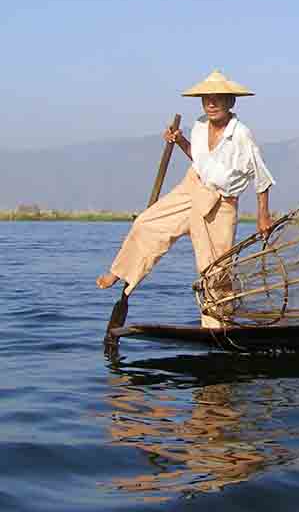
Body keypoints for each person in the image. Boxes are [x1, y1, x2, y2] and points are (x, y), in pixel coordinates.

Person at [96, 70, 275, 327]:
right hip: (192, 186)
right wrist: (180, 141)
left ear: (231, 102)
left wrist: (263, 216)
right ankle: (120, 272)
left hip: (221, 203)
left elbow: (262, 178)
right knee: (146, 224)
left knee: (215, 271)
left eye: (218, 98)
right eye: (206, 98)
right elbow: (200, 159)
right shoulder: (201, 126)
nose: (211, 103)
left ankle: (218, 325)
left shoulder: (241, 135)